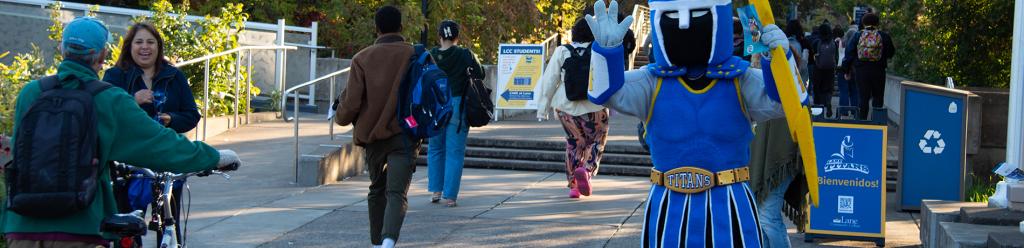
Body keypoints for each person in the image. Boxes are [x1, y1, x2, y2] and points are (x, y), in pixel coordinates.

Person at [2, 16, 240, 248]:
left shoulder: (32, 92)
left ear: (62, 49)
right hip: (80, 226)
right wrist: (214, 157)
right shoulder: (108, 98)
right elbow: (161, 144)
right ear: (103, 54)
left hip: (22, 222)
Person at [585, 0, 807, 246]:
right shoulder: (652, 82)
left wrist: (778, 59)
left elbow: (788, 103)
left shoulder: (739, 80)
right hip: (669, 206)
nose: (684, 24)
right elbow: (605, 94)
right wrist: (606, 51)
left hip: (729, 203)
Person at [102, 22, 201, 247]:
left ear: (158, 46)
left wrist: (170, 119)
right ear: (129, 46)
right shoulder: (115, 76)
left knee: (169, 225)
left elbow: (192, 115)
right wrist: (132, 100)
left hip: (166, 159)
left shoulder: (174, 76)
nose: (144, 47)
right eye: (139, 42)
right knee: (126, 228)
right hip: (128, 162)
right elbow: (104, 113)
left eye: (150, 42)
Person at [333, 6, 418, 248]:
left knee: (377, 189)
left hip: (372, 137)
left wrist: (339, 117)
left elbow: (351, 102)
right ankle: (388, 242)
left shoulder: (362, 58)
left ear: (377, 28)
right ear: (401, 27)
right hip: (406, 134)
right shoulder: (416, 54)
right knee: (397, 192)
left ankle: (376, 242)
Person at [537, 16, 610, 199]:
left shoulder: (563, 51)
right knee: (597, 141)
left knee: (574, 143)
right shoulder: (598, 51)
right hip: (595, 105)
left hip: (565, 106)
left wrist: (542, 108)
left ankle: (574, 186)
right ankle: (587, 170)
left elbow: (549, 80)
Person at [427, 20, 484, 207]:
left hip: (436, 105)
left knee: (435, 148)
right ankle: (450, 196)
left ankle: (436, 190)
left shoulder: (432, 55)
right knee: (455, 151)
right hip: (458, 104)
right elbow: (480, 73)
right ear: (457, 37)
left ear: (440, 36)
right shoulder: (465, 54)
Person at [842, 13, 895, 120]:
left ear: (863, 23)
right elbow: (891, 53)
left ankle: (862, 123)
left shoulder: (857, 35)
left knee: (863, 98)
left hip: (861, 70)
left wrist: (846, 71)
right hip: (879, 70)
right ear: (877, 23)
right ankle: (876, 123)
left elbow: (848, 54)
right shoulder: (883, 36)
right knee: (878, 98)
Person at [810, 23, 839, 117]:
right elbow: (836, 57)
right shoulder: (833, 42)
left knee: (817, 89)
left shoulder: (816, 42)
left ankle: (819, 110)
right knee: (828, 89)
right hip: (830, 70)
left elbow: (812, 56)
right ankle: (828, 103)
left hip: (818, 69)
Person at [836, 23, 859, 115]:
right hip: (855, 69)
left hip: (842, 68)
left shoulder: (842, 43)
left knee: (843, 91)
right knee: (854, 91)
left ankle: (844, 111)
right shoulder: (857, 46)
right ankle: (855, 111)